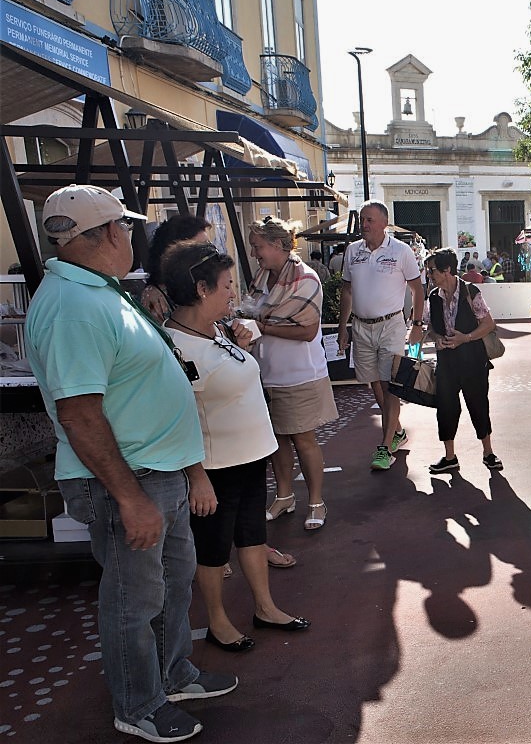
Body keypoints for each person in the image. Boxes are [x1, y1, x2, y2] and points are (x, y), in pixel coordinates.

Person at [25, 184, 235, 742]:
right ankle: (138, 703)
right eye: (127, 227)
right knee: (134, 598)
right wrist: (129, 496)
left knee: (170, 584)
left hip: (155, 471)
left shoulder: (100, 291)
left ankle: (172, 675)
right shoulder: (73, 305)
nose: (133, 236)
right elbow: (79, 413)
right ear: (104, 234)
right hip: (131, 480)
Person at [161, 242, 310, 652]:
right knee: (213, 548)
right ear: (201, 289)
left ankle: (265, 607)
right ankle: (217, 621)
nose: (233, 293)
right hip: (216, 466)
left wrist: (242, 343)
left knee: (252, 535)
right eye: (227, 285)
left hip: (250, 456)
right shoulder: (175, 346)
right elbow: (181, 416)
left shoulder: (218, 331)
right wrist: (196, 477)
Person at [244, 217, 338, 531]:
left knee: (304, 440)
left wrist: (261, 327)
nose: (255, 253)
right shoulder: (262, 277)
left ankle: (316, 502)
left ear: (278, 245)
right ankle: (284, 496)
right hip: (267, 372)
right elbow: (250, 311)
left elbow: (308, 331)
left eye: (258, 246)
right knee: (278, 441)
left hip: (300, 374)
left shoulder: (305, 278)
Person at [335, 201, 426, 471]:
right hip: (361, 327)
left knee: (390, 386)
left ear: (384, 223)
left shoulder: (401, 251)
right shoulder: (353, 251)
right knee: (374, 384)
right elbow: (347, 291)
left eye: (370, 220)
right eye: (363, 219)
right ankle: (396, 430)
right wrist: (343, 327)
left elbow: (417, 290)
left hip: (391, 326)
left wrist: (418, 324)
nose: (364, 224)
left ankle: (385, 447)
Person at [422, 248, 503, 474]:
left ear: (447, 270)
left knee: (478, 404)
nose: (430, 276)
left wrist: (464, 338)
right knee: (446, 407)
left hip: (473, 360)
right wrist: (438, 339)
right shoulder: (433, 297)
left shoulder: (470, 291)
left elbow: (488, 324)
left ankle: (488, 452)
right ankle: (450, 457)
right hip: (447, 361)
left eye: (433, 271)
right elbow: (431, 326)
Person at [141, 215, 213, 322]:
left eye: (210, 247)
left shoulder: (200, 284)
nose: (209, 255)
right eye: (201, 249)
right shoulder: (156, 298)